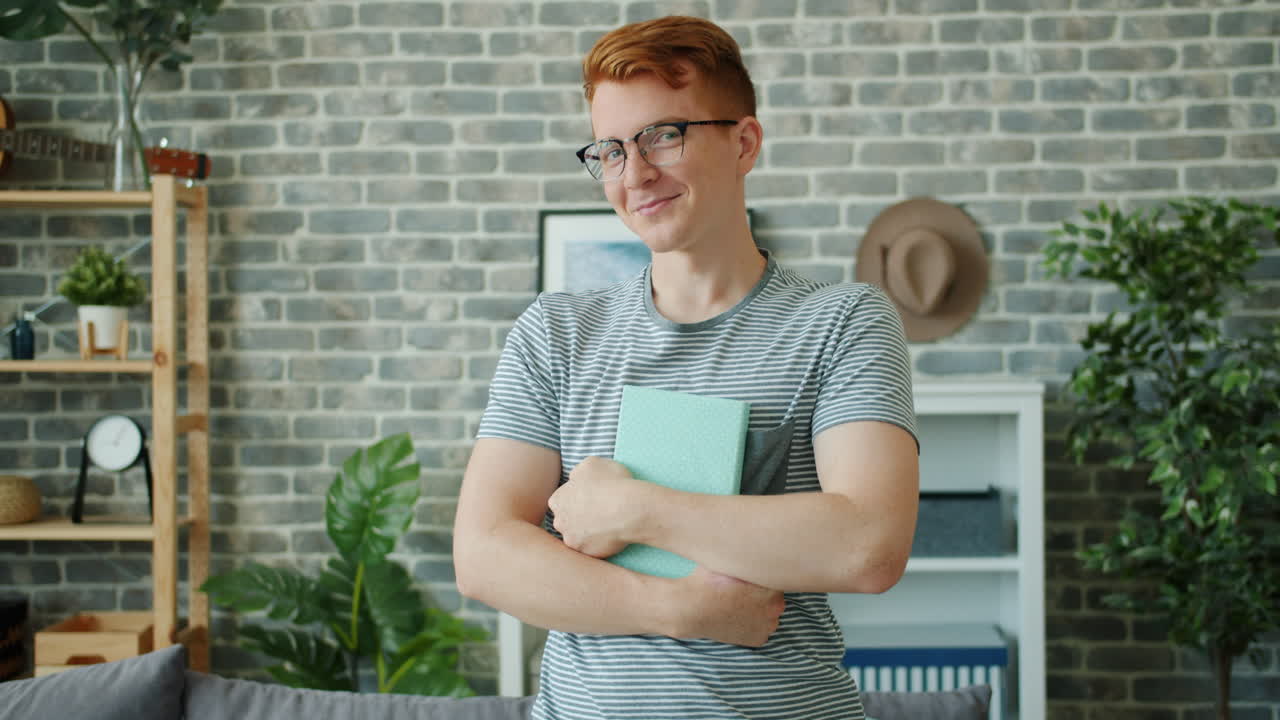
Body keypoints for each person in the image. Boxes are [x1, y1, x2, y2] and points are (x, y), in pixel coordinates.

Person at [454, 15, 919, 720]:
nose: (634, 174)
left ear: (744, 141)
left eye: (663, 136)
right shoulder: (555, 333)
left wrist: (632, 509)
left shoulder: (844, 321)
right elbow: (484, 555)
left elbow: (867, 545)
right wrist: (680, 609)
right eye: (610, 150)